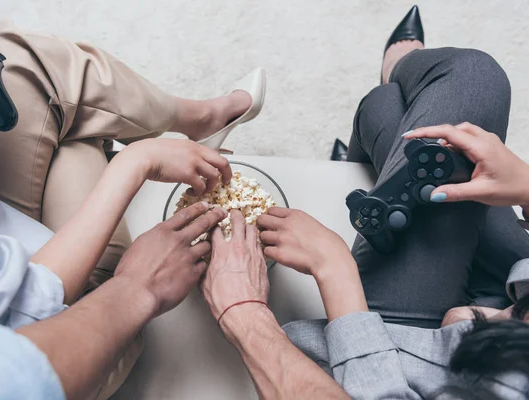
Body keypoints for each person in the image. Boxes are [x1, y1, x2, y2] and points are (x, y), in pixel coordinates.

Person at [197, 6, 529, 399]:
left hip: (404, 364)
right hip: (507, 306)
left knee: (393, 103)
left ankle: (384, 107)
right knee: (459, 85)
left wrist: (333, 270)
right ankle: (372, 155)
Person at [0, 22, 265, 400]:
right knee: (81, 131)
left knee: (19, 59)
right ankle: (163, 130)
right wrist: (136, 164)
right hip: (55, 325)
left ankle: (202, 118)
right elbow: (27, 318)